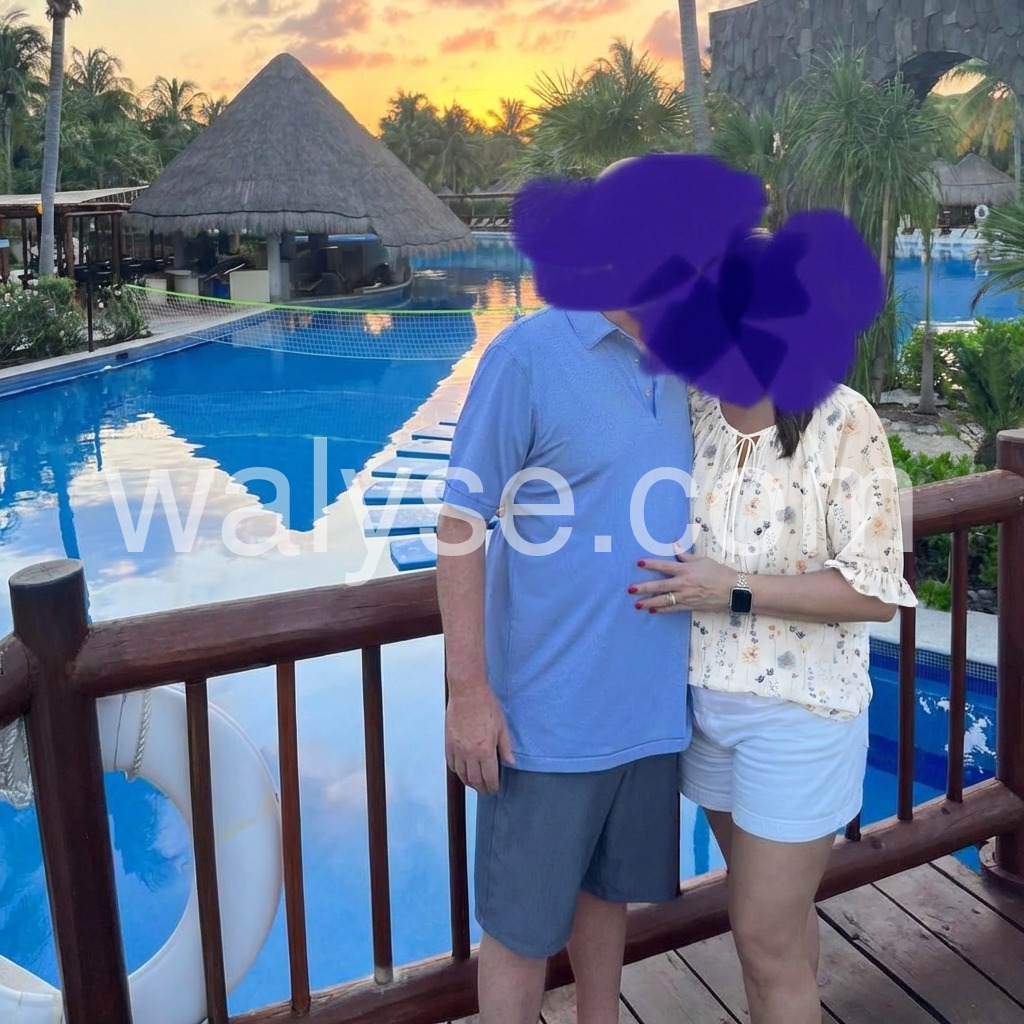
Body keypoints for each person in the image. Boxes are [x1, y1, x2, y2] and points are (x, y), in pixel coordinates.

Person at [436, 305, 693, 1024]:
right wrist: (468, 692)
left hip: (648, 714)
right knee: (519, 934)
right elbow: (459, 524)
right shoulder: (527, 355)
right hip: (544, 723)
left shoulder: (686, 359)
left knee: (607, 898)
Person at [630, 383, 916, 1024]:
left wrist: (734, 589)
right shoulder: (698, 409)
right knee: (779, 932)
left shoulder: (842, 418)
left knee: (762, 939)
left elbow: (874, 594)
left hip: (799, 712)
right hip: (705, 710)